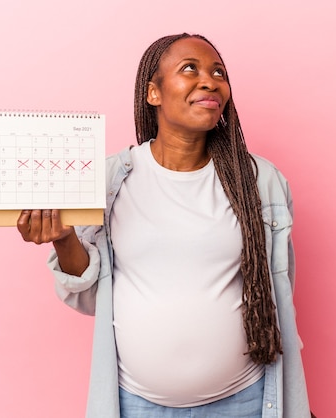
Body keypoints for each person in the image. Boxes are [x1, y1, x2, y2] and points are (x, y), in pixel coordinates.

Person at [17, 33, 311, 418]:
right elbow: (91, 297)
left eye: (218, 72)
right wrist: (63, 238)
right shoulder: (108, 182)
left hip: (247, 400)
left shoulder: (260, 182)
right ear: (152, 93)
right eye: (190, 69)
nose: (209, 81)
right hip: (136, 405)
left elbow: (278, 291)